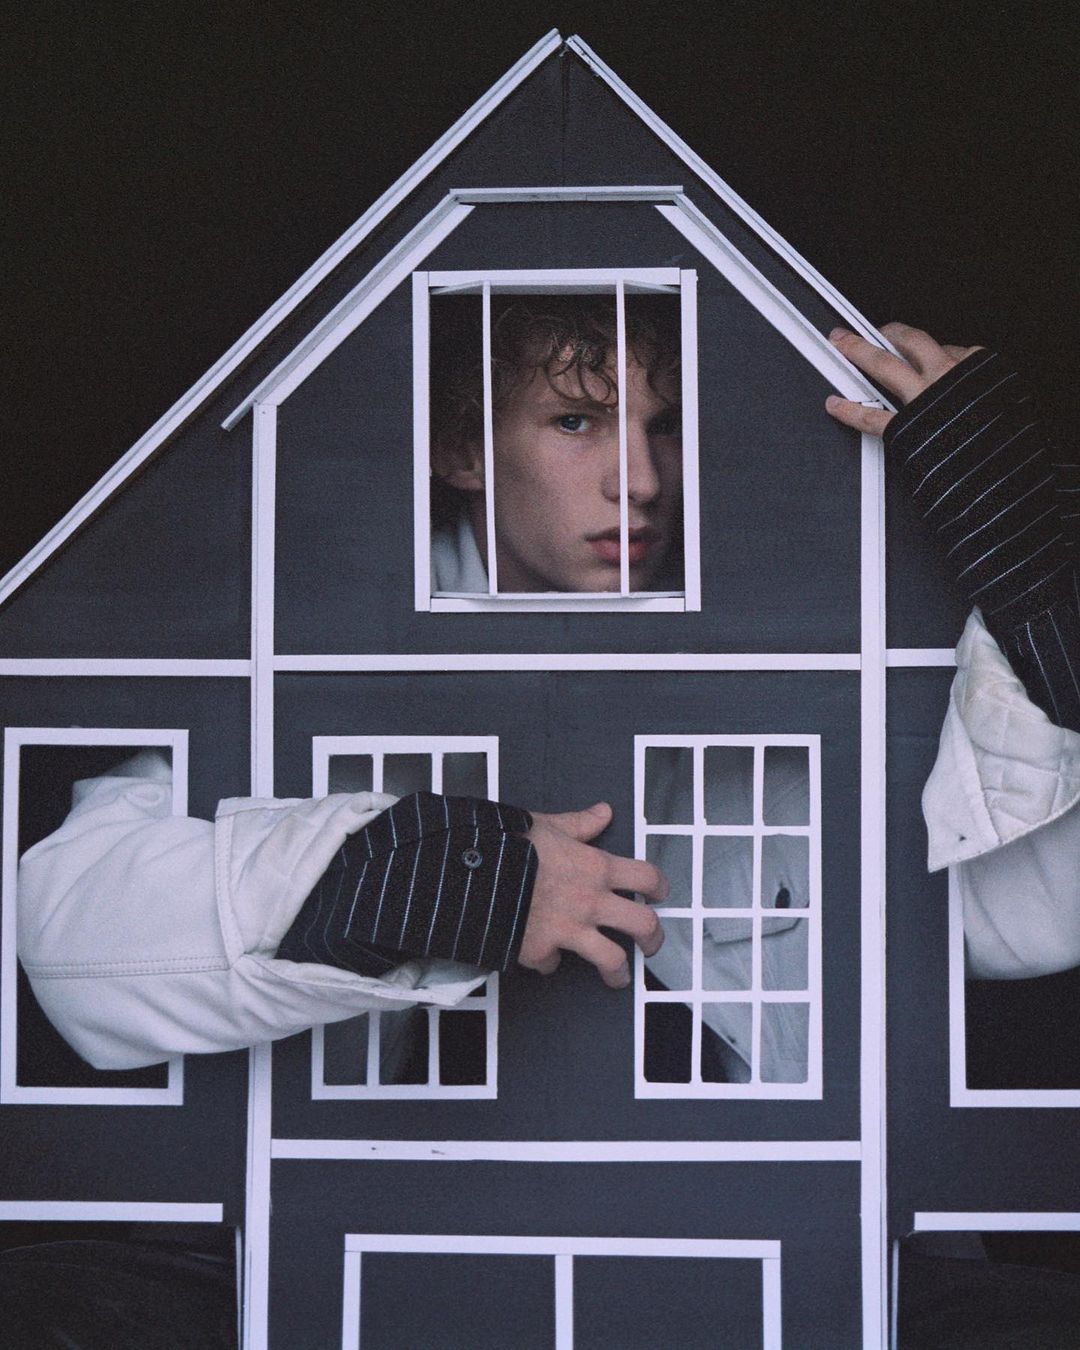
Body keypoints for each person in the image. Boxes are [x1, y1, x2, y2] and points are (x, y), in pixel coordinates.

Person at [428, 294, 684, 595]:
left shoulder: (722, 592)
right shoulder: (390, 602)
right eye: (573, 422)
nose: (645, 485)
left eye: (666, 427)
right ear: (460, 453)